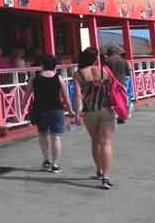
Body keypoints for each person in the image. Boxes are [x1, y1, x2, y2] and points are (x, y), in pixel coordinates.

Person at [73, 47, 117, 190]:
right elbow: (112, 90)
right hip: (106, 110)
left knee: (95, 141)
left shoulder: (78, 74)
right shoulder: (105, 71)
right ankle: (106, 177)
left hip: (90, 111)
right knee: (106, 143)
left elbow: (78, 96)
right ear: (95, 59)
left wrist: (77, 113)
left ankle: (99, 170)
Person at [22, 54, 75, 173]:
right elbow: (65, 96)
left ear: (42, 65)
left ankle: (46, 160)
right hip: (56, 109)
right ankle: (55, 164)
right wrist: (70, 110)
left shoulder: (35, 78)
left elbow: (27, 94)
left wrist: (23, 106)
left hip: (39, 109)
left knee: (42, 135)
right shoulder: (58, 77)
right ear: (55, 66)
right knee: (56, 137)